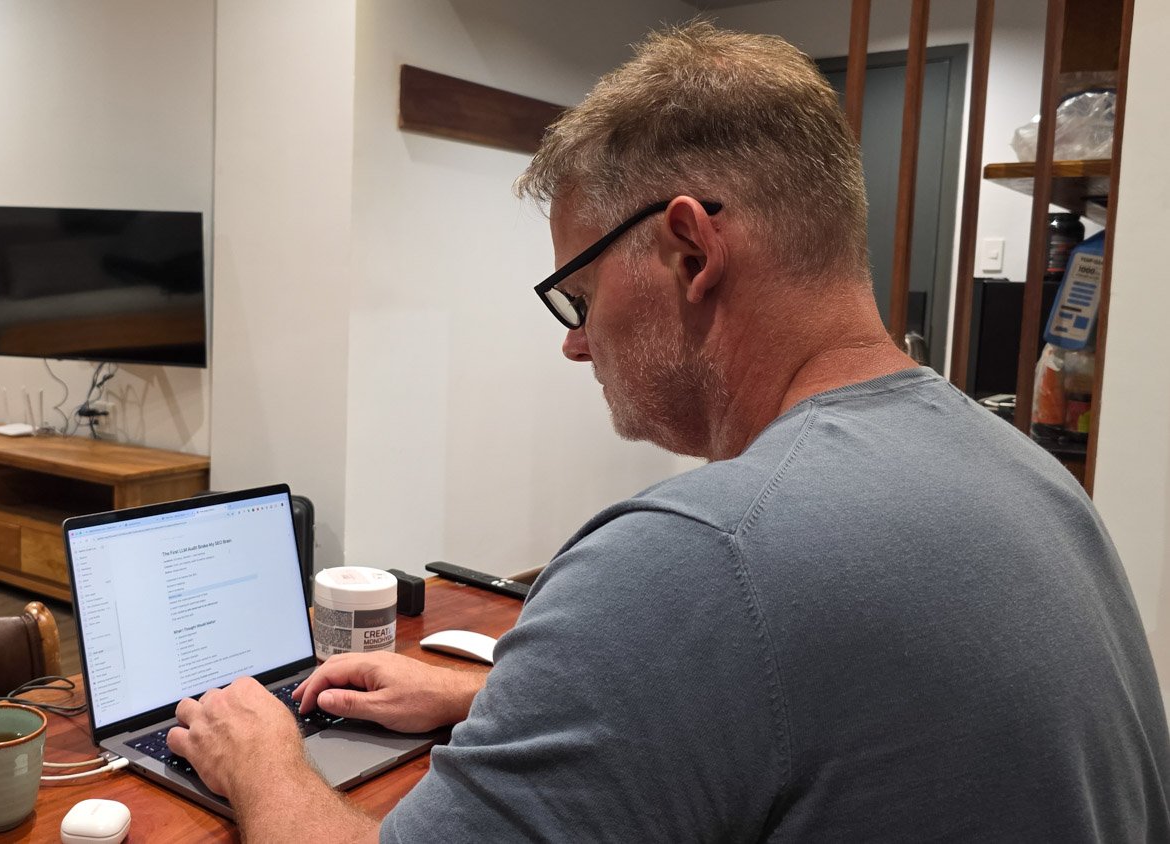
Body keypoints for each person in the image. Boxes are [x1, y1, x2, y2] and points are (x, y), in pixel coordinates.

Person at [167, 22, 1170, 842]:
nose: (576, 346)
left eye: (580, 297)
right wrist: (490, 699)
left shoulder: (695, 556)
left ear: (689, 251)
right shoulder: (1028, 477)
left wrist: (262, 760)